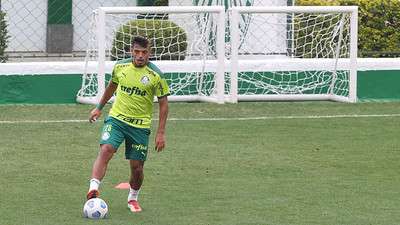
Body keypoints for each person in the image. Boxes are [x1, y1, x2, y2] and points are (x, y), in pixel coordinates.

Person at [86, 36, 170, 213]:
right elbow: (111, 86)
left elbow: (163, 104)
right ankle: (93, 188)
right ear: (132, 51)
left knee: (137, 168)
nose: (140, 56)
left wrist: (160, 132)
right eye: (137, 52)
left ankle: (133, 198)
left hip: (140, 127)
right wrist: (99, 108)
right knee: (106, 149)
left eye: (144, 52)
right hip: (116, 119)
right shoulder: (120, 67)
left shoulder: (156, 75)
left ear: (149, 53)